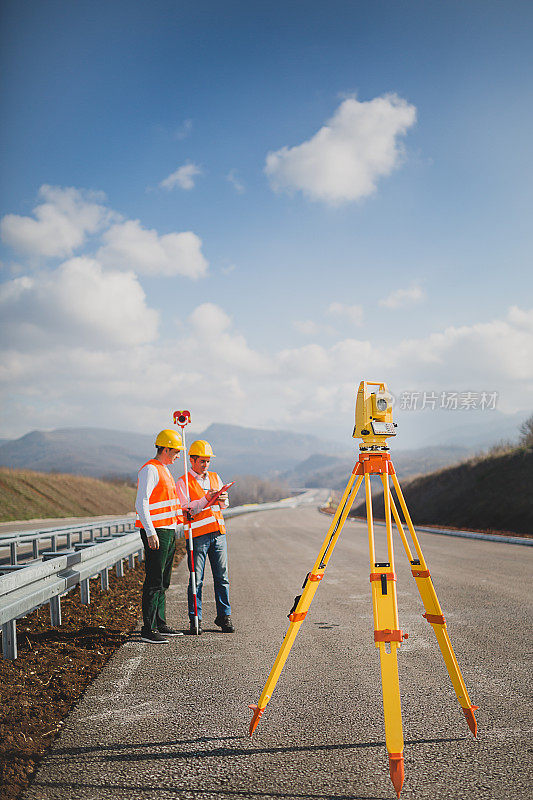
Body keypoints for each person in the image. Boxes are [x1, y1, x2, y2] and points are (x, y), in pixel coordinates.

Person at [135, 430, 213, 644]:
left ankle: (160, 623)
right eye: (176, 451)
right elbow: (141, 503)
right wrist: (150, 531)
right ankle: (148, 629)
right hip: (157, 531)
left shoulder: (164, 470)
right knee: (154, 579)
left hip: (168, 530)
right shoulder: (150, 469)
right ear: (166, 449)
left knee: (164, 580)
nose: (179, 456)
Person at [176, 439, 234, 635]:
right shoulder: (183, 482)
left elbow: (224, 506)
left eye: (208, 461)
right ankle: (195, 619)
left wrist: (223, 499)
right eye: (202, 461)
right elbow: (185, 509)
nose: (206, 465)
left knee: (222, 577)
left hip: (218, 533)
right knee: (196, 579)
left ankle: (224, 616)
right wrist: (205, 499)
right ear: (192, 460)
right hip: (197, 536)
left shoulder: (216, 477)